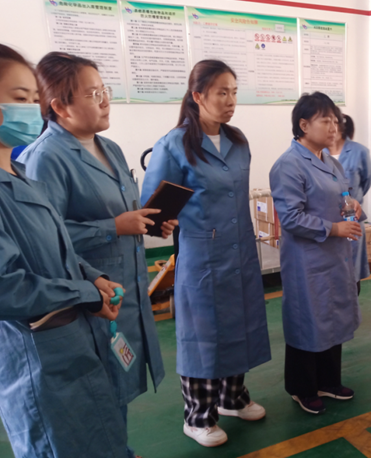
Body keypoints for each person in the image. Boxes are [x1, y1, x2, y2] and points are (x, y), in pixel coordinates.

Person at [19, 52, 171, 458]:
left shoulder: (110, 148)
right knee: (97, 392)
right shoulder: (45, 159)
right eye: (92, 94)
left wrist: (148, 223)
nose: (105, 101)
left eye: (105, 90)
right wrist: (113, 227)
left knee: (116, 387)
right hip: (88, 299)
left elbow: (120, 212)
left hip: (122, 293)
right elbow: (44, 238)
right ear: (60, 106)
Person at [0, 43, 127, 457]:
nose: (30, 110)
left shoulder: (19, 175)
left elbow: (55, 248)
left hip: (74, 343)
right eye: (19, 99)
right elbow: (7, 287)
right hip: (39, 360)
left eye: (31, 99)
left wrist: (92, 278)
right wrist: (86, 293)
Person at [141, 59, 271, 447]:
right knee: (202, 334)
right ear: (198, 96)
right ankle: (198, 417)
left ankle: (233, 398)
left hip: (240, 249)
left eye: (234, 92)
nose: (230, 101)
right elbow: (152, 207)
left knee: (239, 323)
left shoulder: (238, 141)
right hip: (202, 255)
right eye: (221, 93)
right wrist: (164, 222)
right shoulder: (174, 144)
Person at [270, 91, 362, 415]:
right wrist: (334, 228)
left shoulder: (331, 161)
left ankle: (328, 381)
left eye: (336, 120)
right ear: (304, 125)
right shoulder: (289, 165)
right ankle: (302, 388)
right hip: (307, 260)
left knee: (331, 318)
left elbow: (342, 197)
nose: (334, 127)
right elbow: (291, 218)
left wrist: (352, 207)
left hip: (334, 257)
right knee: (307, 321)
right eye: (326, 120)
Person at [325, 114, 371, 294]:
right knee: (330, 269)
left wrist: (354, 199)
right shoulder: (319, 152)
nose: (330, 129)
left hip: (352, 216)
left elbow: (367, 180)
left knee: (352, 270)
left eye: (333, 124)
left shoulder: (360, 151)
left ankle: (352, 305)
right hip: (327, 217)